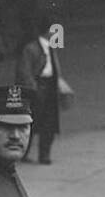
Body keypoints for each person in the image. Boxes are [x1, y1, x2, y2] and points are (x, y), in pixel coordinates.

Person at [15, 15, 68, 164]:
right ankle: (24, 153)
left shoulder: (51, 47)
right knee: (32, 121)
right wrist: (33, 89)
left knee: (49, 122)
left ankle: (44, 154)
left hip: (50, 85)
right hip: (38, 86)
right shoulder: (31, 48)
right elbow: (24, 72)